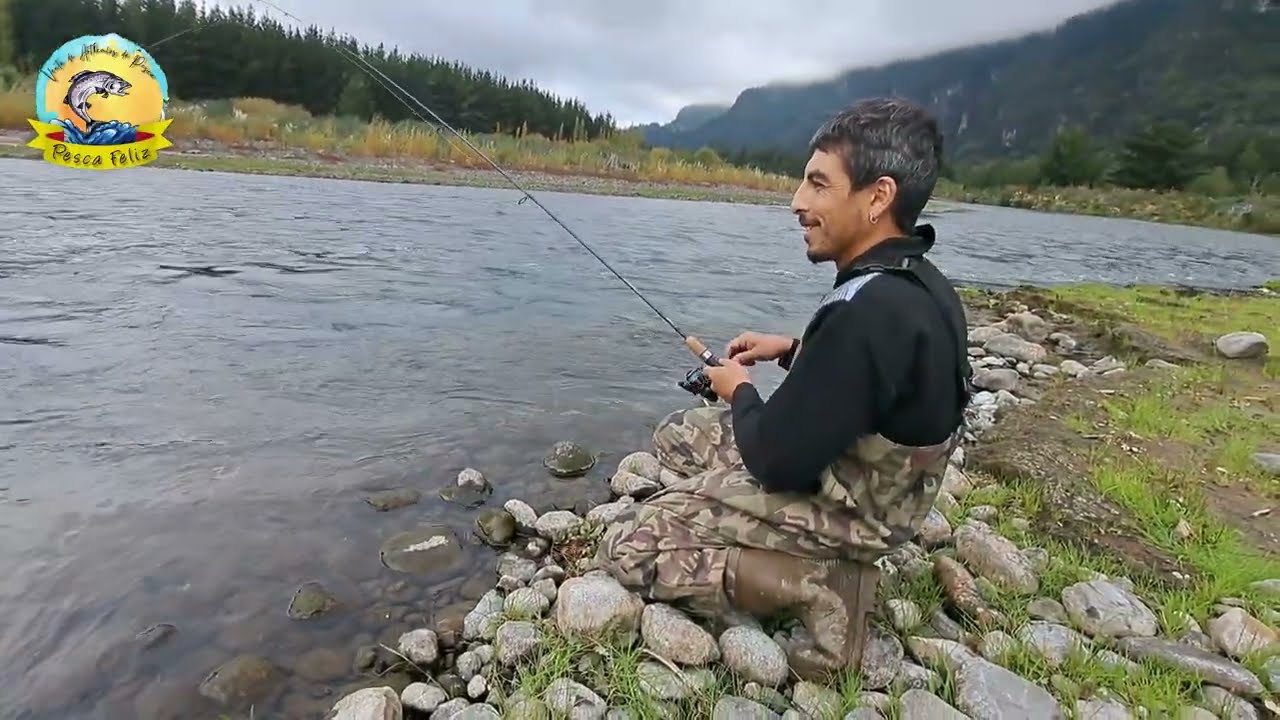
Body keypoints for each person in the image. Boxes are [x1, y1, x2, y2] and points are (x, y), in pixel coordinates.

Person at [594, 96, 973, 682]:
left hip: (856, 508)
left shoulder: (865, 311)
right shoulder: (917, 282)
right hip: (891, 490)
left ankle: (819, 586)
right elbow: (876, 380)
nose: (798, 202)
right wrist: (794, 350)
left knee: (629, 544)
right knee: (679, 435)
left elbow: (775, 461)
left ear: (878, 197)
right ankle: (731, 516)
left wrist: (739, 390)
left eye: (819, 184)